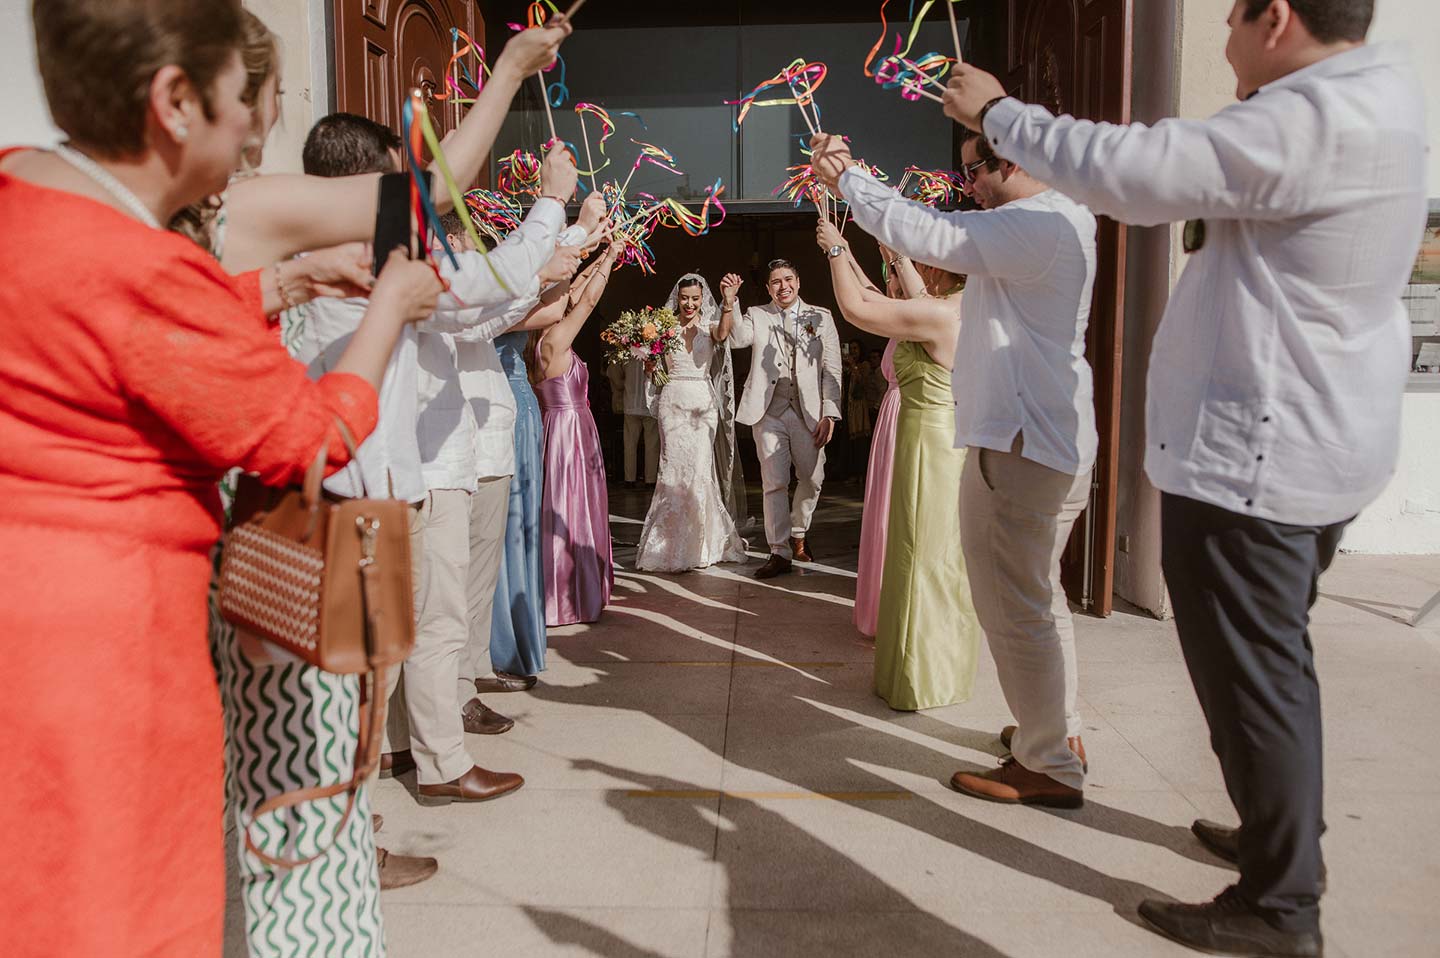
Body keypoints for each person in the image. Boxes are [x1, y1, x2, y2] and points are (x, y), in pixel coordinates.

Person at [939, 1, 1427, 953]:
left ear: (1276, 18)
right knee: (1269, 669)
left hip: (1260, 462)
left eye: (1235, 21)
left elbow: (1142, 171)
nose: (1226, 42)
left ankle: (1282, 903)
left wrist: (1001, 114)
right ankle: (1277, 834)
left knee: (1257, 677)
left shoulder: (1310, 115)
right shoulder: (1369, 99)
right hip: (1299, 447)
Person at [0, 2, 442, 955]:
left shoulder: (25, 196)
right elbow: (307, 438)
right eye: (243, 100)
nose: (251, 128)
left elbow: (124, 355)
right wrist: (390, 310)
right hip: (107, 658)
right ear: (174, 102)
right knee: (119, 912)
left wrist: (283, 284)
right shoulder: (142, 267)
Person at [812, 113, 1098, 803]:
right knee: (1041, 599)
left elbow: (927, 235)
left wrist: (845, 175)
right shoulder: (1065, 220)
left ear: (1013, 162)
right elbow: (920, 259)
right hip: (1054, 440)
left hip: (1022, 448)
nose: (968, 187)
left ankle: (1046, 763)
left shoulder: (1034, 225)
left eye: (974, 170)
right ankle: (1058, 732)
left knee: (1012, 606)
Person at [400, 151, 587, 803]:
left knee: (466, 597)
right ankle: (435, 743)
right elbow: (491, 312)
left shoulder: (435, 270)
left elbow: (494, 305)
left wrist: (574, 235)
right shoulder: (417, 270)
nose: (460, 240)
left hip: (475, 445)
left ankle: (454, 706)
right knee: (439, 607)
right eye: (456, 231)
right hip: (441, 454)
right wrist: (553, 227)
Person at [818, 218, 983, 709]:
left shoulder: (941, 317)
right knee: (927, 555)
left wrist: (834, 250)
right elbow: (905, 290)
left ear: (945, 270)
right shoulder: (950, 307)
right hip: (932, 438)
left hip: (931, 448)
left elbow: (857, 308)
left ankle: (922, 677)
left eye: (927, 258)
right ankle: (930, 669)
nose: (920, 267)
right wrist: (889, 250)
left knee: (920, 556)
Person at [716, 260, 842, 578]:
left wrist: (830, 412)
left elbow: (832, 368)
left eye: (788, 279)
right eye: (775, 282)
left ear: (798, 282)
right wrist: (730, 303)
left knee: (813, 479)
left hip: (809, 411)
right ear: (769, 287)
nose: (782, 286)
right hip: (768, 412)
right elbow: (737, 339)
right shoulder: (758, 314)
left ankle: (799, 532)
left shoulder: (820, 316)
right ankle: (780, 551)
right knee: (774, 483)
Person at [535, 242, 625, 624]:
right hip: (569, 434)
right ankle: (569, 596)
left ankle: (573, 590)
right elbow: (586, 303)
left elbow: (575, 290)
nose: (567, 294)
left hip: (565, 427)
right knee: (570, 508)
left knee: (573, 508)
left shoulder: (538, 339)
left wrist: (605, 256)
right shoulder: (555, 341)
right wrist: (613, 255)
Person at [634, 274, 748, 572]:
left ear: (702, 299)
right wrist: (649, 366)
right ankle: (667, 544)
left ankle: (701, 544)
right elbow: (654, 373)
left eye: (695, 298)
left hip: (701, 402)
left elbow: (723, 335)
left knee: (698, 469)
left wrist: (728, 302)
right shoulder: (662, 329)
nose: (689, 303)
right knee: (671, 467)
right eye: (685, 297)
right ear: (677, 298)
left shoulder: (709, 325)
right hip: (671, 401)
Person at [619, 356, 660, 487]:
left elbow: (615, 374)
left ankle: (629, 479)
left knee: (630, 445)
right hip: (649, 404)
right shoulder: (655, 355)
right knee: (652, 445)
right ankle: (650, 479)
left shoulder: (627, 354)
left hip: (632, 403)